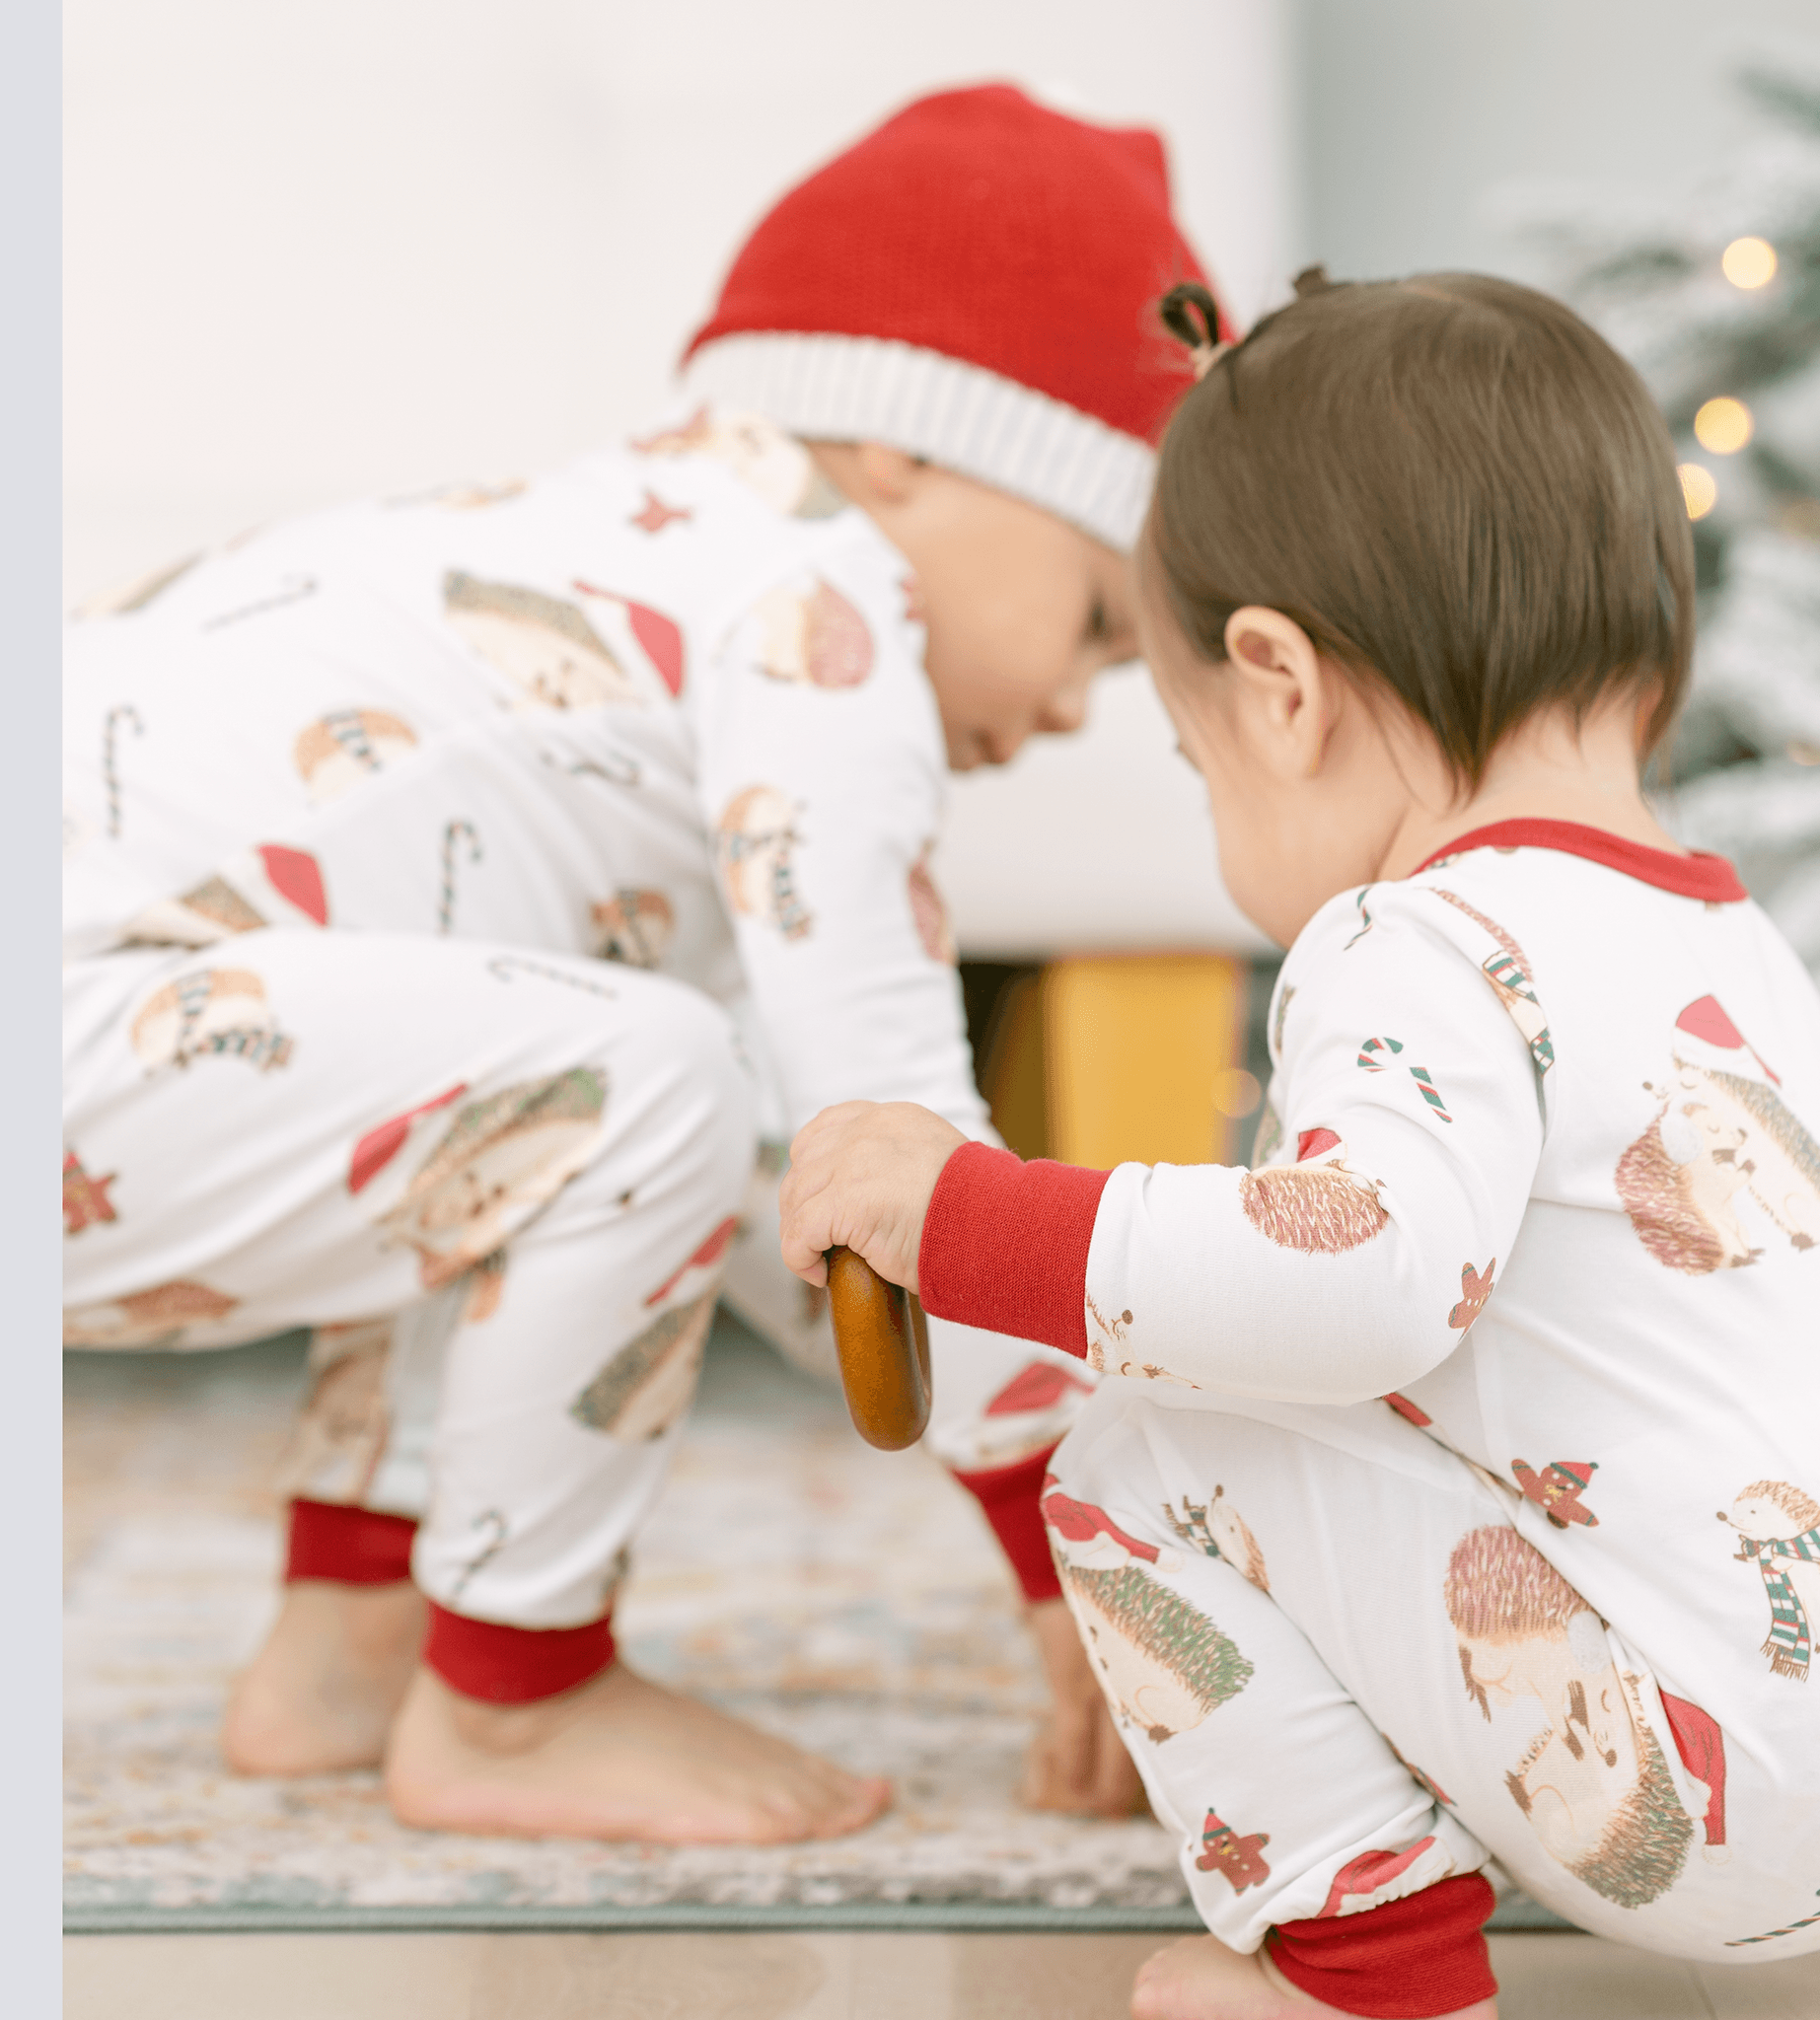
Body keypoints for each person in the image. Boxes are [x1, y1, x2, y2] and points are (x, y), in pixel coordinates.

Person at [777, 271, 1820, 2014]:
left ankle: (1365, 1976)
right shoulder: (1719, 931)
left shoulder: (1420, 940)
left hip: (1722, 1820)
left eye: (1193, 764)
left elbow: (1358, 1285)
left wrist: (965, 1216)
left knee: (1145, 1446)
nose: (1214, 811)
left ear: (1278, 687)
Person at [62, 84, 1206, 1844]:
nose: (1069, 705)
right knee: (636, 1073)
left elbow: (774, 1155)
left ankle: (352, 1636)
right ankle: (514, 1713)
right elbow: (887, 1132)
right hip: (75, 1028)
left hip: (95, 1030)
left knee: (536, 1077)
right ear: (908, 452)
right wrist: (1078, 1552)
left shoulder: (637, 564)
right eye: (1094, 622)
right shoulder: (823, 610)